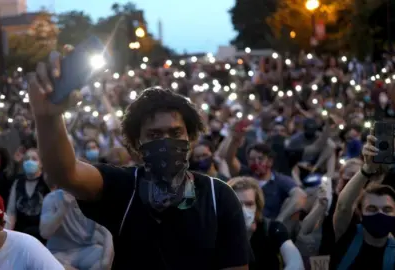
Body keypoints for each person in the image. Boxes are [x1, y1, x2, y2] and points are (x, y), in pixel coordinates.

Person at [27, 54, 249, 270]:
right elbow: (65, 173)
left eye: (175, 132)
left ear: (190, 138)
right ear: (136, 144)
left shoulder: (218, 196)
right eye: (154, 135)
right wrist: (48, 117)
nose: (165, 142)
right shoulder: (123, 187)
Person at [330, 133, 395, 269]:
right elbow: (343, 206)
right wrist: (367, 169)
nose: (380, 214)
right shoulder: (347, 236)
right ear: (360, 212)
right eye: (372, 209)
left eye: (387, 209)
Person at [228, 176, 304, 270]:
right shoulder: (218, 233)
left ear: (257, 206)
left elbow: (296, 263)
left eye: (249, 204)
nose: (243, 210)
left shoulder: (272, 229)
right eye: (237, 204)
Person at [40, 187, 114, 269]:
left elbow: (107, 233)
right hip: (59, 252)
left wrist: (105, 262)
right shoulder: (52, 198)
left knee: (109, 257)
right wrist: (62, 210)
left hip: (87, 249)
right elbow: (44, 233)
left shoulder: (93, 198)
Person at [5, 148, 50, 242]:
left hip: (43, 235)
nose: (30, 161)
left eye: (34, 159)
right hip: (21, 234)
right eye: (26, 159)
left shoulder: (47, 183)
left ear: (41, 163)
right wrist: (7, 234)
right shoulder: (18, 182)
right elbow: (11, 212)